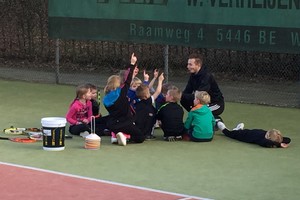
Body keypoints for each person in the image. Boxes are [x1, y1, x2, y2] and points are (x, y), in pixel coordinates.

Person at [103, 53, 144, 146]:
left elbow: (127, 80)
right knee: (140, 137)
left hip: (112, 125)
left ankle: (115, 135)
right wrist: (132, 63)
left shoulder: (106, 98)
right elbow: (128, 79)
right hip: (124, 124)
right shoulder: (121, 92)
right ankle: (126, 137)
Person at [180, 53, 224, 118]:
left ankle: (218, 121)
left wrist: (180, 94)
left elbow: (199, 96)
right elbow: (187, 92)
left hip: (216, 104)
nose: (187, 67)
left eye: (190, 64)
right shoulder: (193, 75)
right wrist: (180, 95)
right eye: (188, 64)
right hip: (201, 103)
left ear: (198, 65)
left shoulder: (207, 76)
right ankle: (195, 117)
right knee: (183, 100)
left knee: (201, 111)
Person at [134, 72, 164, 140]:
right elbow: (158, 91)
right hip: (147, 129)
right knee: (153, 115)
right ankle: (149, 134)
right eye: (148, 93)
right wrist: (160, 81)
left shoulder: (137, 102)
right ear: (145, 96)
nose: (150, 93)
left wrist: (153, 78)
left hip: (138, 129)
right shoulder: (148, 100)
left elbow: (147, 87)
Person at [216, 121, 291, 148]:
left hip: (242, 136)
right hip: (248, 131)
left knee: (230, 134)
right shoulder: (272, 139)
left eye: (267, 133)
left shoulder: (261, 140)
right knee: (238, 131)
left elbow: (265, 143)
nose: (267, 131)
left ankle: (223, 128)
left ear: (268, 137)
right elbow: (288, 139)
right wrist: (280, 144)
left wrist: (278, 144)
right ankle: (239, 129)